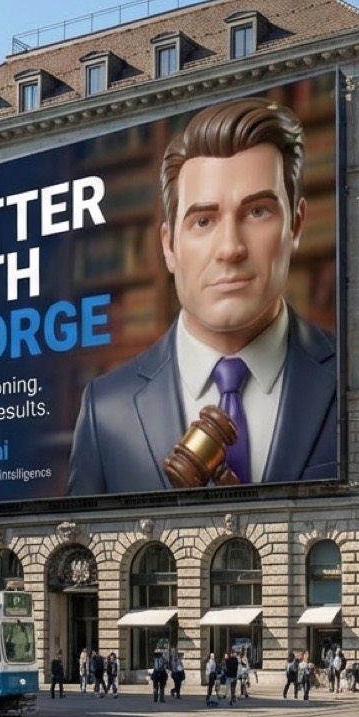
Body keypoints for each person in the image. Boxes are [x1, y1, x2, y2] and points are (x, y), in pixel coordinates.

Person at [68, 98, 337, 495]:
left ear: (295, 226)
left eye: (258, 211)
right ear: (169, 245)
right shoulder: (105, 409)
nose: (230, 248)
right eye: (203, 220)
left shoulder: (353, 379)